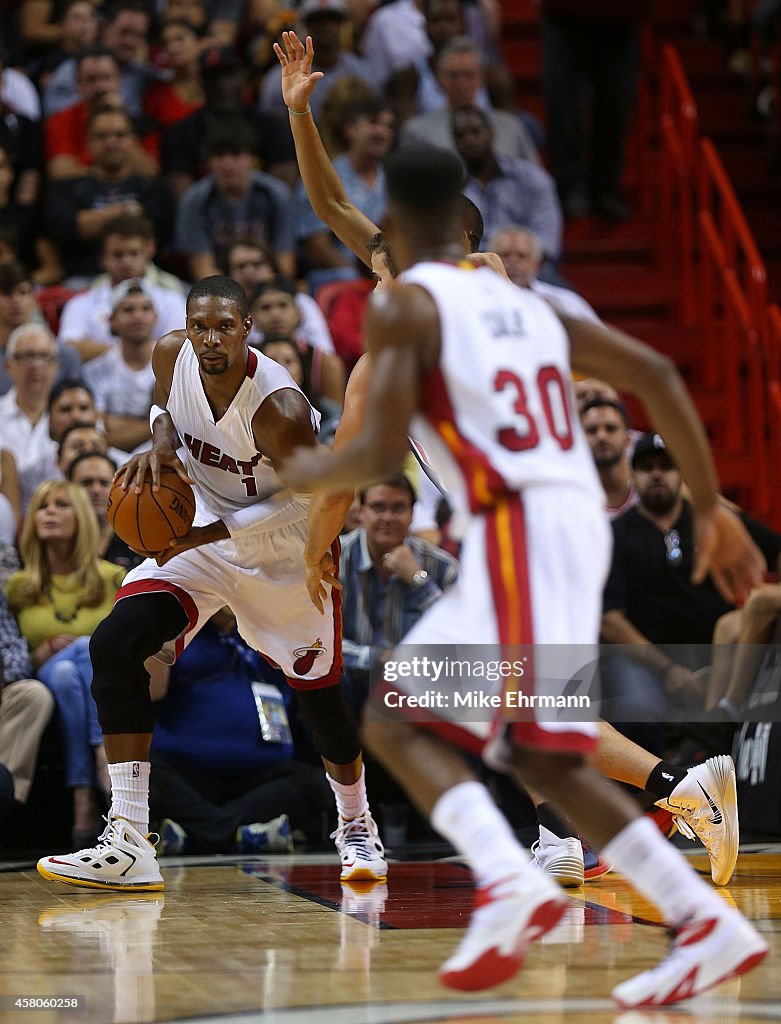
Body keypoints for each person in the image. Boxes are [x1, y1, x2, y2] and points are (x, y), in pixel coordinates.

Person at [279, 143, 768, 1005]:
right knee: (535, 747)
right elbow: (652, 371)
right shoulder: (519, 298)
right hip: (572, 522)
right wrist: (712, 505)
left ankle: (511, 885)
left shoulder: (403, 310)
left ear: (390, 224)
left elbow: (369, 451)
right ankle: (706, 921)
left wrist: (301, 472)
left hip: (518, 524)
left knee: (396, 717)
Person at [36, 274, 386, 892]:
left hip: (285, 548)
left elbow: (305, 499)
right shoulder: (171, 354)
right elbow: (164, 406)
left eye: (225, 326)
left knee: (320, 698)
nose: (210, 338)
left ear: (247, 330)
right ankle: (128, 836)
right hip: (200, 519)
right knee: (115, 644)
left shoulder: (279, 408)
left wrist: (203, 536)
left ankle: (356, 824)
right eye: (201, 325)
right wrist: (160, 443)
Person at [6, 480, 124, 846]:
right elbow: (10, 653)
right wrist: (36, 654)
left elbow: (125, 646)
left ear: (83, 518)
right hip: (40, 686)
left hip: (93, 681)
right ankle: (104, 764)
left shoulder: (113, 578)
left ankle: (82, 799)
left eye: (61, 505)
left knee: (71, 665)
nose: (50, 512)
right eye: (42, 506)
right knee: (70, 658)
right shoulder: (18, 586)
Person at [67, 450, 143, 570]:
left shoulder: (137, 542)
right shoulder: (56, 541)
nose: (96, 490)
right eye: (86, 483)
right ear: (69, 488)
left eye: (104, 483)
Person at [580, 397, 636, 519]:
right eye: (592, 430)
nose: (601, 436)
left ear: (628, 439)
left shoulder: (648, 489)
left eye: (611, 428)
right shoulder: (572, 496)